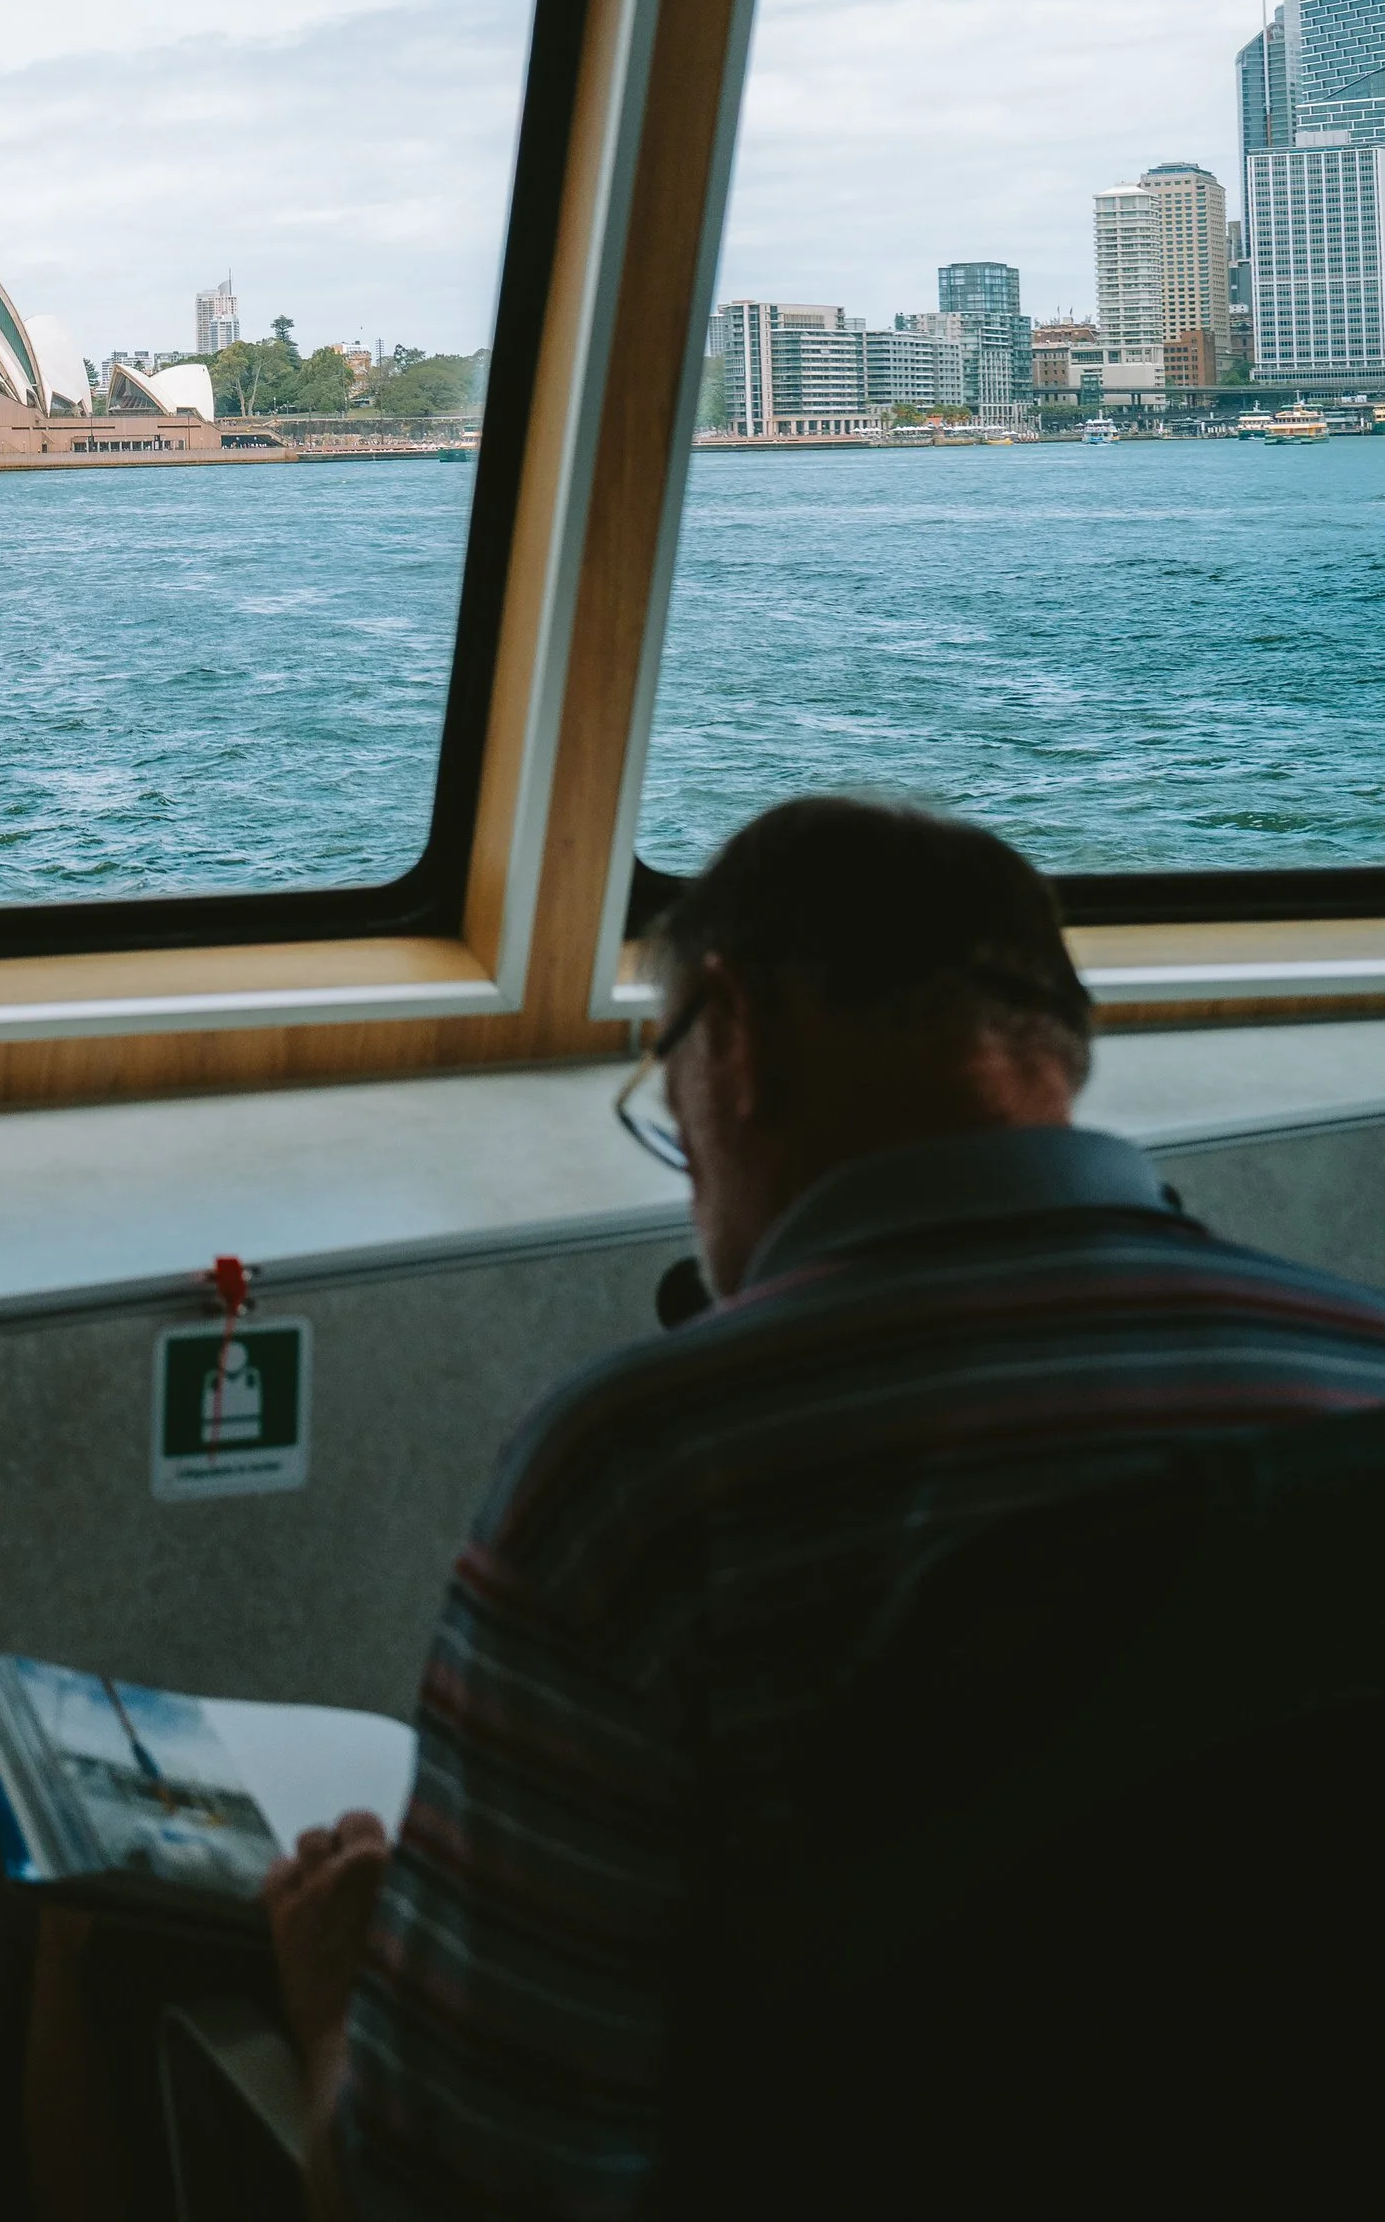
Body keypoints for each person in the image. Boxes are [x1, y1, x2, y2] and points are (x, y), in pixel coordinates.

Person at [263, 795, 1385, 2220]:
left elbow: (458, 2194)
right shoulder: (1362, 1364)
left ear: (732, 1040)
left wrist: (332, 2000)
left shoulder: (652, 1477)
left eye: (662, 1089)